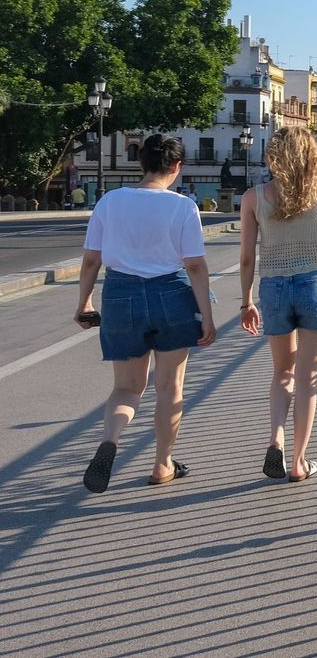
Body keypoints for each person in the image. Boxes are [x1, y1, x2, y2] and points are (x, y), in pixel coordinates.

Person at [74, 134, 218, 491]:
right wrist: (208, 317)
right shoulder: (183, 206)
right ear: (177, 167)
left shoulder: (110, 201)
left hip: (122, 294)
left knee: (126, 389)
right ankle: (162, 464)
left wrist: (84, 302)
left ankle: (110, 441)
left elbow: (92, 259)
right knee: (169, 388)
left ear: (142, 163)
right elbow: (196, 267)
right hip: (171, 293)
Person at [238, 126, 317, 482]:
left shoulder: (253, 197)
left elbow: (246, 258)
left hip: (273, 289)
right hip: (316, 286)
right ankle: (298, 462)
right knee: (308, 377)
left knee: (282, 373)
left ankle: (276, 437)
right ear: (311, 154)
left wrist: (246, 302)